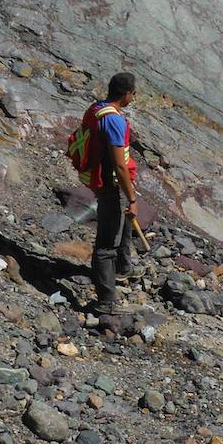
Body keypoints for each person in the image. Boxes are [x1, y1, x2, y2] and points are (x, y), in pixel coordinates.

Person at [85, 72, 143, 315]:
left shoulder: (98, 108)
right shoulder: (114, 120)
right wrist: (132, 198)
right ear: (126, 94)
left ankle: (122, 267)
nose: (134, 97)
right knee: (106, 243)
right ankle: (106, 302)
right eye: (134, 93)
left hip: (106, 180)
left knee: (124, 223)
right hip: (110, 184)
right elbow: (119, 165)